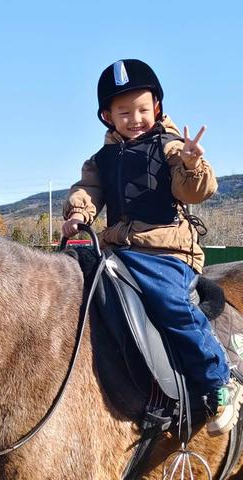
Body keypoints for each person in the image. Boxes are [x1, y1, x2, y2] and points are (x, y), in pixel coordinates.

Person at [62, 59, 242, 436]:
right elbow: (88, 190)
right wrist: (78, 213)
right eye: (124, 112)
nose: (135, 118)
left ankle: (219, 380)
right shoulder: (99, 160)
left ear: (157, 108)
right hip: (119, 250)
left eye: (143, 109)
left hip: (166, 253)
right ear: (107, 116)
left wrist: (193, 164)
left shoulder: (172, 148)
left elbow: (194, 190)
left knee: (168, 302)